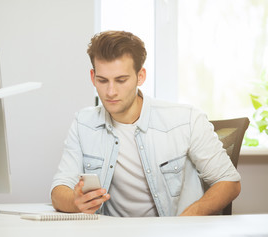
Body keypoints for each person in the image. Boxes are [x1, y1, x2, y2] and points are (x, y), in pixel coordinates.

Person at [50, 30, 241, 217]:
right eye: (102, 80)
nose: (110, 92)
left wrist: (186, 219)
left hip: (173, 235)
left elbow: (229, 182)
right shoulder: (83, 123)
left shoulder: (186, 119)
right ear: (93, 77)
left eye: (121, 80)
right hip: (110, 233)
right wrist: (75, 202)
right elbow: (59, 189)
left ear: (140, 76)